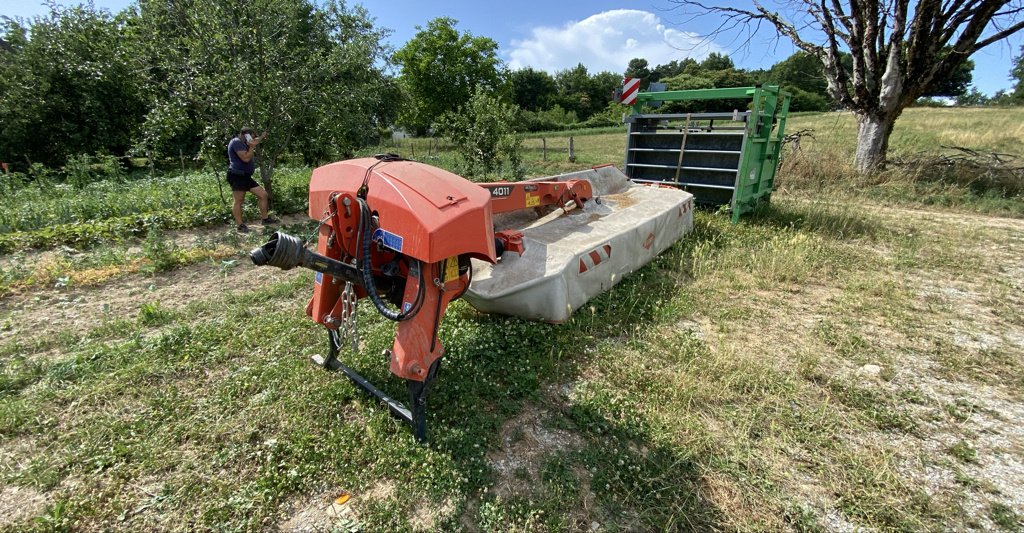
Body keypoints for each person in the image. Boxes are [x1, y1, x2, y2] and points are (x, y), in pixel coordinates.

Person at [226, 127, 278, 232]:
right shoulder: (237, 142)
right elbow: (245, 158)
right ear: (246, 135)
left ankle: (265, 219)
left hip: (246, 176)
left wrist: (262, 136)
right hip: (237, 175)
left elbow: (255, 141)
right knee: (239, 201)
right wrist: (251, 147)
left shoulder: (247, 141)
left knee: (263, 195)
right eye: (251, 136)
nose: (253, 139)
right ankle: (240, 225)